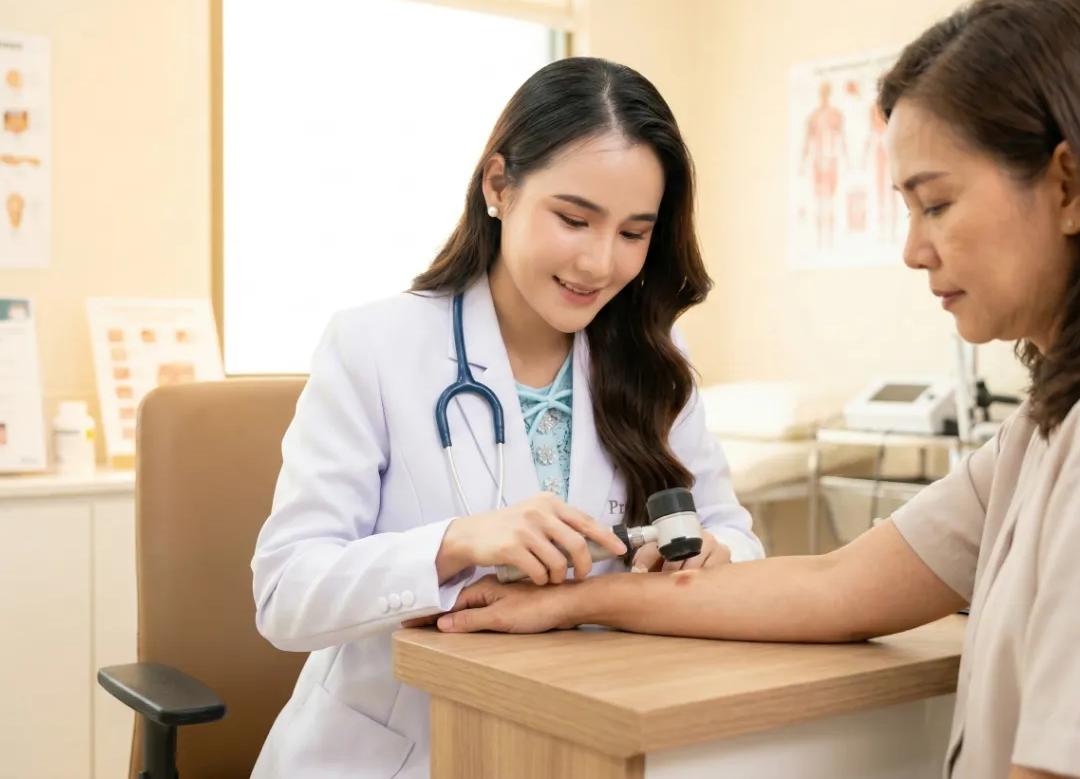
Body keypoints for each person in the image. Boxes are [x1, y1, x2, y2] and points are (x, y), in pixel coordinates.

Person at [422, 0, 1080, 779]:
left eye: (937, 204)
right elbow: (838, 585)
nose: (913, 250)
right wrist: (568, 600)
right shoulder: (1056, 422)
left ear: (1070, 187)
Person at [248, 56, 765, 779]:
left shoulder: (653, 358)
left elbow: (736, 535)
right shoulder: (374, 346)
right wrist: (455, 543)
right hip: (399, 753)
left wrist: (713, 554)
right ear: (499, 186)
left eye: (633, 233)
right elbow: (285, 594)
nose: (600, 262)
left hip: (581, 741)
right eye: (574, 219)